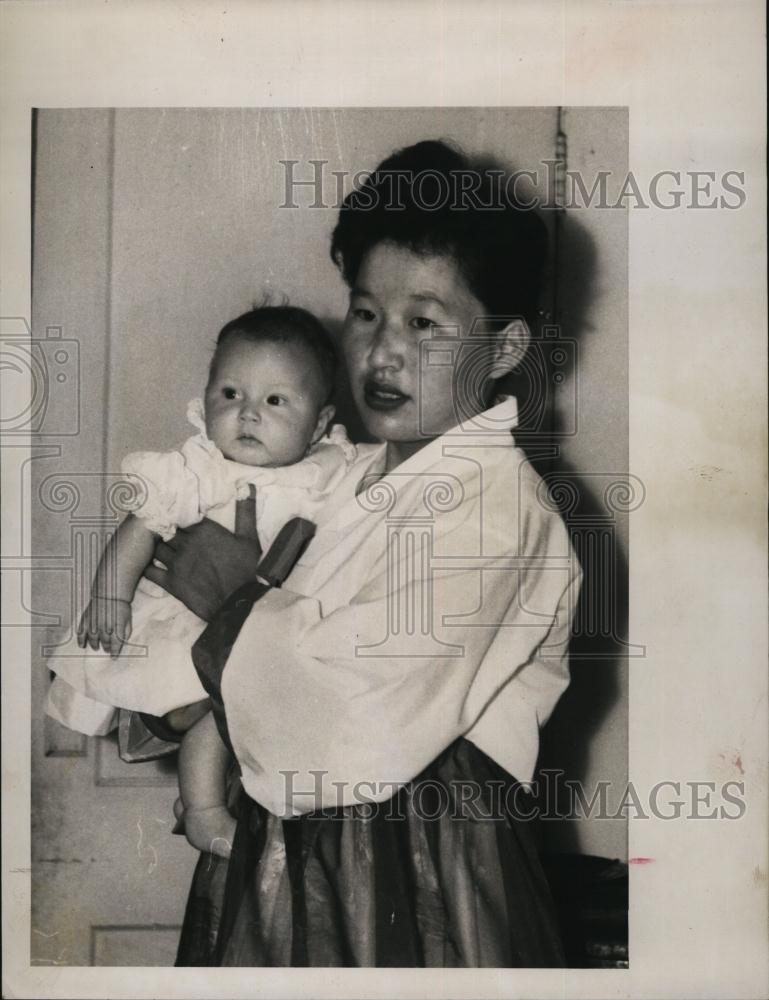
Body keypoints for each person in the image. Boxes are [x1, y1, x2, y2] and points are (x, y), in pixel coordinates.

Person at [140, 139, 582, 966]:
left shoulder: (495, 505)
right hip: (284, 858)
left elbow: (359, 713)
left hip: (419, 874)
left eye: (424, 323)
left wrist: (229, 600)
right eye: (365, 312)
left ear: (509, 347)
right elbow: (196, 667)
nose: (381, 352)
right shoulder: (334, 475)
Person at [45, 305, 356, 857]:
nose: (248, 414)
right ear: (205, 399)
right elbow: (139, 529)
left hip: (263, 629)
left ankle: (204, 802)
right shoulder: (199, 467)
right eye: (230, 394)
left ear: (319, 422)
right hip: (184, 620)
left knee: (239, 714)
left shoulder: (331, 473)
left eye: (275, 401)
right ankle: (204, 809)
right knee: (213, 707)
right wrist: (109, 595)